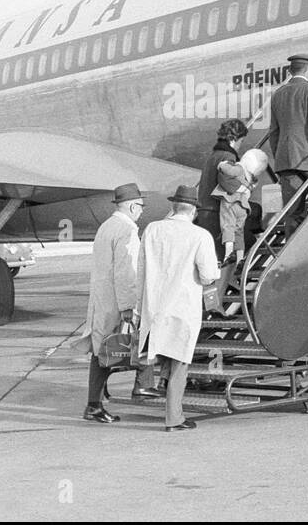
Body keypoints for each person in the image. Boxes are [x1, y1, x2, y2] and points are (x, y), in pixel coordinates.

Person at [73, 183, 159, 423]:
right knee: (136, 341)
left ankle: (94, 404)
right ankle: (142, 385)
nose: (142, 211)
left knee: (102, 351)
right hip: (116, 301)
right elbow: (126, 272)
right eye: (141, 206)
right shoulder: (127, 230)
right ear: (132, 206)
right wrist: (129, 306)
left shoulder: (106, 227)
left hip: (101, 300)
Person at [138, 185, 221, 432]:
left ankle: (161, 400)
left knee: (160, 352)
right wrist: (215, 270)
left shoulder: (152, 230)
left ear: (172, 207)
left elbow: (140, 269)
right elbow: (207, 275)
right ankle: (174, 418)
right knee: (180, 362)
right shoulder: (200, 235)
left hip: (154, 306)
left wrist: (136, 306)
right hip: (183, 308)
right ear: (194, 210)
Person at [266, 54, 308, 237]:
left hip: (286, 162)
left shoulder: (278, 94)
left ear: (290, 71)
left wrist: (280, 156)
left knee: (293, 214)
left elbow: (274, 133)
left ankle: (291, 258)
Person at [195, 119, 247, 257]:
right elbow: (228, 184)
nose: (240, 146)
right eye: (241, 141)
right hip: (217, 214)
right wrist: (245, 187)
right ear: (233, 139)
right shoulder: (228, 156)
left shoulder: (212, 155)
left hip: (203, 212)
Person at [211, 147, 269, 266]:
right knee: (239, 231)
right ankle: (239, 258)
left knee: (228, 227)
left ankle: (228, 254)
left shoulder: (239, 169)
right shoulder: (250, 180)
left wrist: (221, 165)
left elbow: (229, 171)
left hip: (230, 203)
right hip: (243, 205)